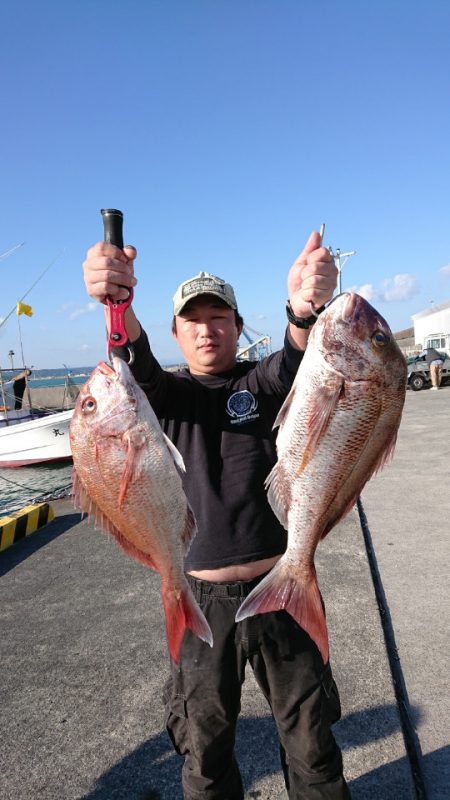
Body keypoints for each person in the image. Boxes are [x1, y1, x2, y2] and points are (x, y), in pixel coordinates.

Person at [82, 231, 351, 800]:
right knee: (204, 754)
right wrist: (118, 306)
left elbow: (299, 353)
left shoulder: (265, 382)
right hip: (199, 598)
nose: (207, 329)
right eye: (193, 320)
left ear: (237, 325)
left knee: (313, 749)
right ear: (177, 332)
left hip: (284, 585)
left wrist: (304, 306)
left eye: (219, 316)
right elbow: (137, 361)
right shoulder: (164, 397)